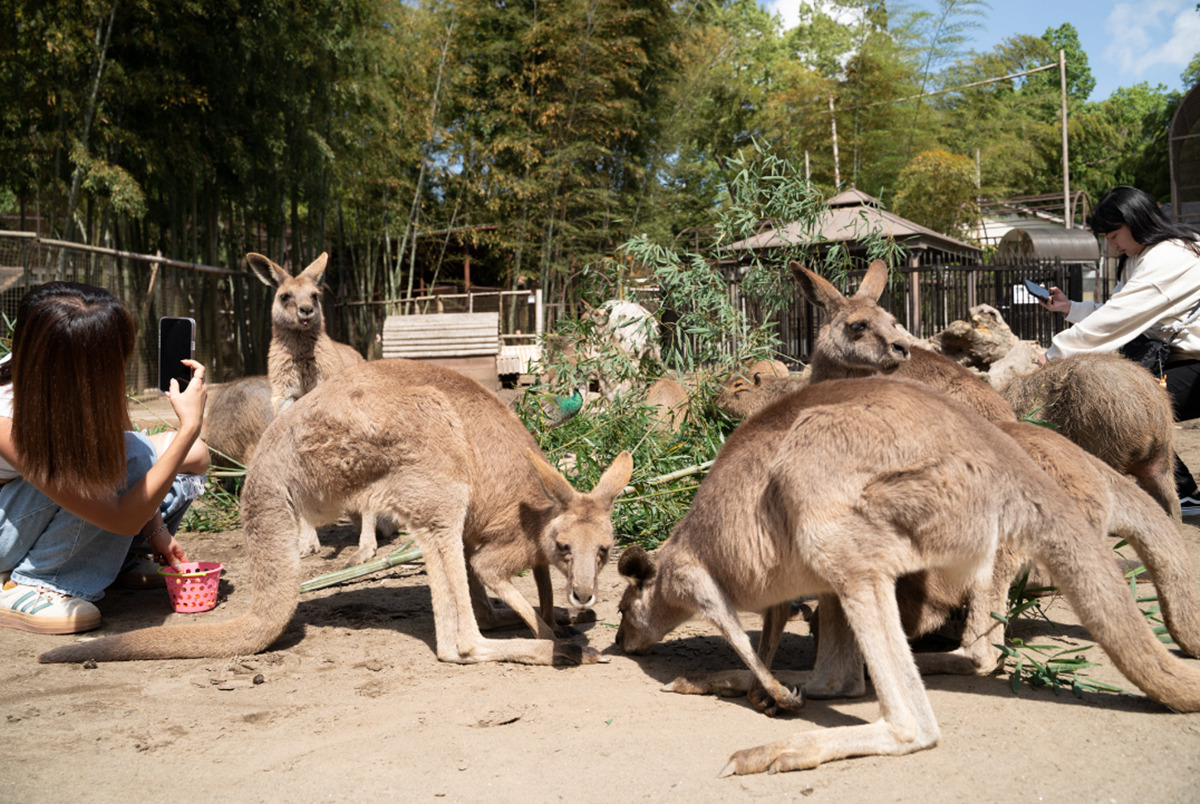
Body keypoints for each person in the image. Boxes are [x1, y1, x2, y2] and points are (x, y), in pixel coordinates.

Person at [0, 282, 209, 634]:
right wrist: (189, 426)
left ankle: (115, 559)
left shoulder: (53, 379)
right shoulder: (6, 418)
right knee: (136, 457)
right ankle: (36, 583)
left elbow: (119, 453)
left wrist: (155, 531)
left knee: (192, 457)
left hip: (32, 502)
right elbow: (122, 515)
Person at [1037, 185, 1200, 513]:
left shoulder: (1172, 255)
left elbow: (1119, 318)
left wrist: (1054, 353)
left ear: (1136, 221)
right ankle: (1181, 491)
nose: (1111, 244)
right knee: (1129, 406)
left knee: (1127, 409)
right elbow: (1120, 310)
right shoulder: (1140, 256)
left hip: (1195, 364)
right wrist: (1071, 309)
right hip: (1180, 361)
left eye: (1113, 235)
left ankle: (1176, 490)